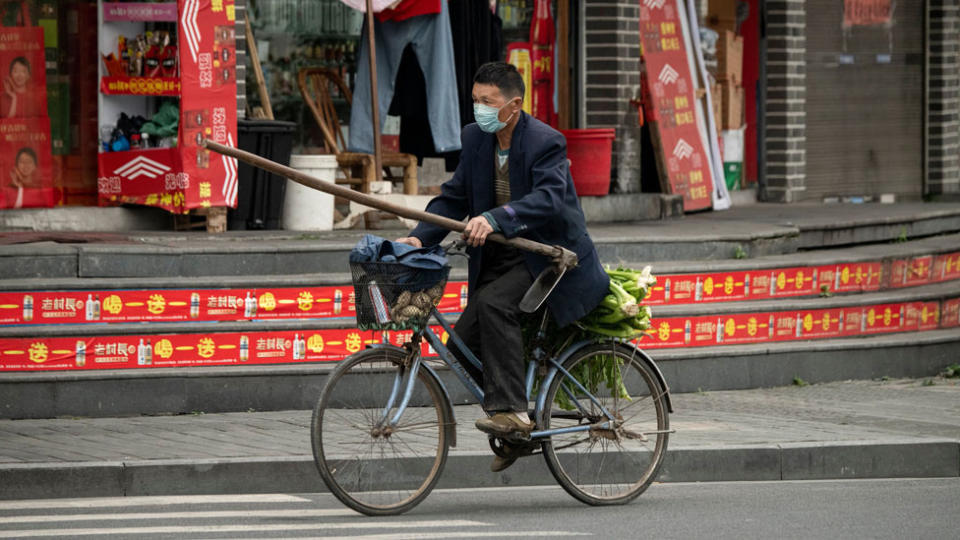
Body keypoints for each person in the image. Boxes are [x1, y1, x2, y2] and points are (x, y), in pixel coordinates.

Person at [396, 62, 609, 472]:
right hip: (503, 255)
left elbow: (549, 198)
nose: (479, 109)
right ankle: (515, 433)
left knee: (494, 303)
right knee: (461, 347)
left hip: (546, 255)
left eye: (487, 102)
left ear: (513, 105)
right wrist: (420, 236)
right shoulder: (476, 138)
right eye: (475, 101)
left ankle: (513, 411)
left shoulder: (546, 142)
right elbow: (454, 197)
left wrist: (496, 218)